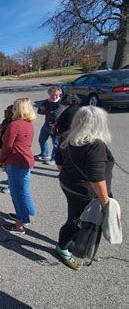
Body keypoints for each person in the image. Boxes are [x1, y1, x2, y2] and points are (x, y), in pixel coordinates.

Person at [54, 106, 114, 271]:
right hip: (85, 192)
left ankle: (75, 242)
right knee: (75, 221)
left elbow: (59, 164)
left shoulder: (66, 137)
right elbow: (96, 178)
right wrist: (106, 202)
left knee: (77, 218)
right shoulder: (95, 145)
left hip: (69, 185)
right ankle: (62, 247)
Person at [0, 98, 37, 234]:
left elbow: (7, 146)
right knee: (24, 190)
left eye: (14, 107)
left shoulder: (14, 125)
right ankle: (29, 213)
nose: (12, 109)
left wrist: (1, 160)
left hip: (15, 161)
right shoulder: (29, 123)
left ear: (18, 109)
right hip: (26, 160)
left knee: (16, 193)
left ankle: (21, 222)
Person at [37, 87, 62, 165]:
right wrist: (49, 111)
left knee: (55, 143)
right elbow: (39, 111)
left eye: (56, 95)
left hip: (56, 126)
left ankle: (54, 158)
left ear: (59, 94)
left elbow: (56, 114)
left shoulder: (61, 103)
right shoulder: (46, 102)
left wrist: (47, 111)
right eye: (52, 95)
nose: (54, 97)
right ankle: (44, 154)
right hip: (46, 124)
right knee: (41, 139)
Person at [0, 105, 14, 194]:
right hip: (2, 147)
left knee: (9, 168)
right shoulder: (5, 121)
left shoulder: (12, 123)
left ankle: (11, 187)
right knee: (6, 168)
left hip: (7, 149)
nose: (4, 113)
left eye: (6, 112)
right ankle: (9, 180)